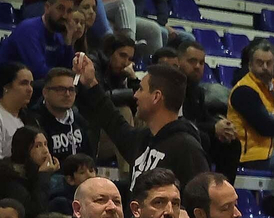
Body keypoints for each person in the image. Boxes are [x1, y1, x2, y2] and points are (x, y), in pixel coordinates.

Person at [74, 56, 210, 197]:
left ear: (156, 97)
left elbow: (200, 201)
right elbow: (114, 123)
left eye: (141, 89)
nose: (136, 95)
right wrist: (91, 83)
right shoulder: (143, 138)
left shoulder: (187, 148)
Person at [229, 40, 274, 173]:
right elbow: (266, 127)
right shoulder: (244, 90)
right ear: (250, 65)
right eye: (260, 63)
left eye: (269, 63)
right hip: (253, 155)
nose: (265, 67)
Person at [174, 38, 242, 177]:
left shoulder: (197, 91)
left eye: (201, 62)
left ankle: (223, 190)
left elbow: (202, 119)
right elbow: (179, 122)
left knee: (231, 142)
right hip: (176, 137)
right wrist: (213, 128)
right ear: (178, 62)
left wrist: (222, 125)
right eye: (192, 61)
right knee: (202, 138)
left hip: (195, 135)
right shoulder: (172, 87)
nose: (198, 66)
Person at [0, 126, 54, 218]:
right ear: (24, 149)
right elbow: (34, 212)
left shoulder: (31, 170)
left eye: (45, 144)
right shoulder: (8, 176)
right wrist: (44, 175)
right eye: (37, 146)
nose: (45, 151)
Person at [0, 0, 78, 81]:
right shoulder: (28, 29)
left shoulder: (60, 37)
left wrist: (68, 43)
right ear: (47, 7)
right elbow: (38, 72)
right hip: (4, 87)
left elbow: (68, 71)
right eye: (60, 9)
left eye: (69, 11)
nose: (64, 16)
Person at [28, 67, 93, 166]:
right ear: (45, 92)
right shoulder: (34, 121)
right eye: (60, 89)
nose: (67, 94)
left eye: (71, 89)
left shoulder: (80, 120)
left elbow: (89, 157)